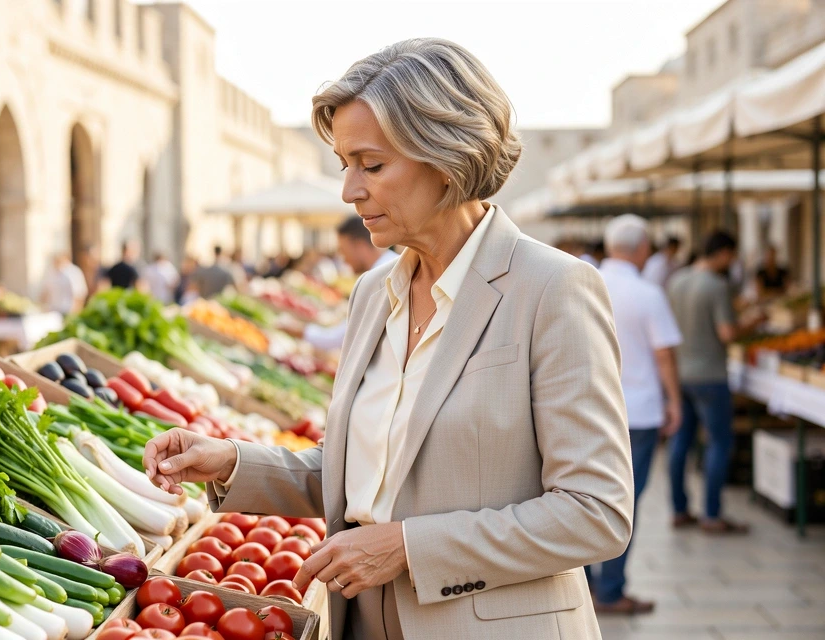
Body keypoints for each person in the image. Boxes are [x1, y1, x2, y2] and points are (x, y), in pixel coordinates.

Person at [144, 38, 633, 640]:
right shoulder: (374, 296)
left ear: (447, 158)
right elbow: (362, 474)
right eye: (344, 165)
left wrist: (408, 548)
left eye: (371, 166)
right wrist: (231, 461)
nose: (349, 191)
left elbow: (596, 513)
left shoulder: (554, 288)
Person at [587, 215, 682, 615]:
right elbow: (664, 354)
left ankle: (587, 584)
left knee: (582, 496)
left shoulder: (581, 282)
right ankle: (611, 589)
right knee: (626, 502)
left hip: (587, 408)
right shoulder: (647, 293)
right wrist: (674, 400)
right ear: (642, 248)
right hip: (638, 411)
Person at [667, 231, 762, 535]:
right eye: (731, 255)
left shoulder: (678, 281)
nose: (731, 262)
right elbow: (727, 334)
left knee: (681, 443)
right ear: (722, 253)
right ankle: (711, 514)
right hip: (710, 375)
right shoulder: (717, 286)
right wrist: (753, 322)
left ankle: (679, 509)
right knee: (719, 443)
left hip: (682, 372)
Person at [281, 215, 398, 350]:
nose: (343, 259)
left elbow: (344, 337)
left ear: (359, 245)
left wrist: (298, 330)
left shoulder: (377, 279)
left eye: (343, 250)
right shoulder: (391, 266)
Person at [41, 252, 88, 317]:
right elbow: (45, 292)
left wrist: (74, 314)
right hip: (53, 312)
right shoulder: (51, 272)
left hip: (68, 312)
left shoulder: (73, 272)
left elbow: (79, 295)